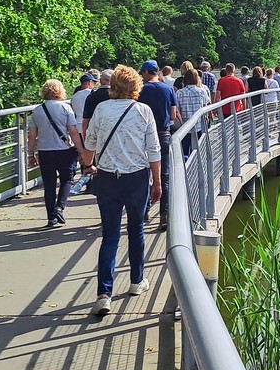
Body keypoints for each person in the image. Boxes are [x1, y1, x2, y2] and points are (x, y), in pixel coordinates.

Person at [83, 65, 161, 317]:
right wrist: (157, 182)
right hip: (136, 177)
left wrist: (89, 165)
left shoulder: (101, 109)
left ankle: (103, 294)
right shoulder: (143, 111)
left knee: (110, 235)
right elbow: (154, 151)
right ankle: (137, 281)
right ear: (136, 86)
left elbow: (89, 144)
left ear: (113, 85)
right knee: (136, 229)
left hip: (107, 178)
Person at [26, 80, 85, 228]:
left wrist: (30, 154)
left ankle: (51, 217)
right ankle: (60, 207)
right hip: (65, 151)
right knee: (67, 180)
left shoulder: (38, 110)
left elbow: (32, 135)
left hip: (45, 152)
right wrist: (81, 151)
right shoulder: (65, 108)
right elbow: (73, 132)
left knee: (49, 185)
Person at [137, 60, 180, 230]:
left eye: (142, 73)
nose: (141, 75)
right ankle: (164, 215)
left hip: (142, 137)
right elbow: (173, 113)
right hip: (163, 134)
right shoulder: (167, 89)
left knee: (143, 174)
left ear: (148, 72)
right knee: (165, 176)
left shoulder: (140, 90)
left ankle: (145, 210)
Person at [174, 66, 211, 158]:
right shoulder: (202, 91)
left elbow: (177, 109)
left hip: (185, 126)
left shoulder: (179, 92)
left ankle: (186, 163)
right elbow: (206, 106)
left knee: (184, 150)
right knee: (198, 149)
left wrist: (181, 121)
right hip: (199, 125)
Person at [82, 68, 114, 136]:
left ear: (100, 80)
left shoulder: (91, 97)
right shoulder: (117, 97)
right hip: (112, 134)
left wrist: (85, 141)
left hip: (95, 134)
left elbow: (85, 122)